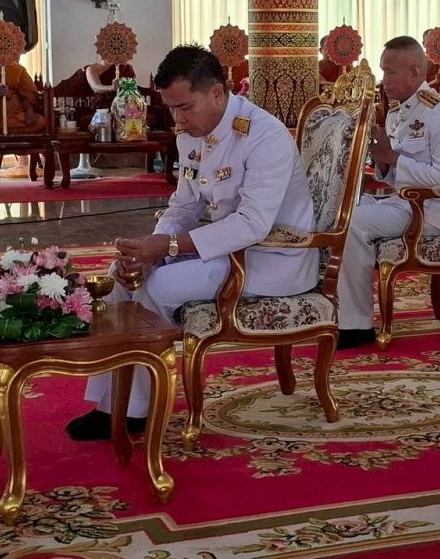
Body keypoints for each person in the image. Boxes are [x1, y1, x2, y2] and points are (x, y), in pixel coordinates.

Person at [66, 44, 318, 440]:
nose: (178, 120)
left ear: (217, 93)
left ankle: (137, 411)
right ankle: (111, 403)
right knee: (121, 276)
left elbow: (252, 224)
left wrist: (167, 249)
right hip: (224, 252)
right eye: (171, 109)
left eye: (185, 107)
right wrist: (150, 248)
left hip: (271, 259)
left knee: (158, 287)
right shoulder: (192, 134)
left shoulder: (263, 135)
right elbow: (184, 205)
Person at [337, 36, 440, 349]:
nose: (383, 79)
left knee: (352, 222)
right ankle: (341, 311)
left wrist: (393, 157)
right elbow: (393, 172)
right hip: (406, 203)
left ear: (415, 73)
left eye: (390, 72)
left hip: (438, 211)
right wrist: (383, 160)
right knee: (337, 211)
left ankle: (356, 326)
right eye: (383, 70)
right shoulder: (397, 112)